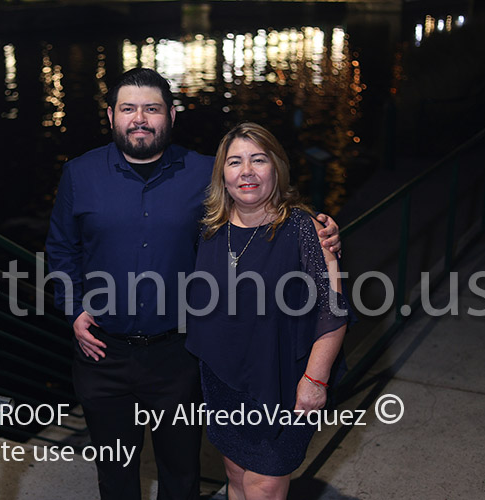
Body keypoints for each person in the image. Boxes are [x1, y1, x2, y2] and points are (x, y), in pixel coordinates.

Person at [45, 69, 341, 500]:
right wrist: (73, 307)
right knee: (114, 474)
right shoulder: (79, 173)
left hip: (179, 355)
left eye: (152, 109)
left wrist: (320, 231)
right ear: (111, 115)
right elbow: (61, 249)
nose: (140, 119)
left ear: (170, 116)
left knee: (182, 473)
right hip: (102, 354)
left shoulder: (206, 172)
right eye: (128, 109)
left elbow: (258, 204)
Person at [185, 122, 354, 500]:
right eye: (235, 162)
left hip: (283, 381)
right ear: (222, 174)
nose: (246, 171)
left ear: (277, 168)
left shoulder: (305, 229)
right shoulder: (209, 228)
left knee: (264, 485)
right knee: (235, 475)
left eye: (258, 160)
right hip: (223, 381)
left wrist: (316, 381)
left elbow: (333, 310)